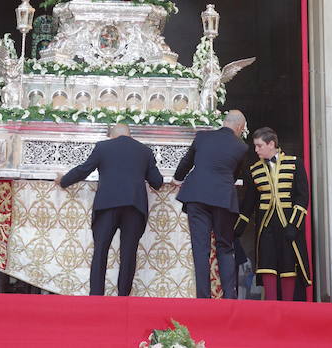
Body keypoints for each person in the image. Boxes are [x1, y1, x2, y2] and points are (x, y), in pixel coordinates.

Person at [56, 122, 163, 296]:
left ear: (112, 135)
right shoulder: (144, 151)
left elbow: (84, 170)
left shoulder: (103, 147)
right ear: (130, 134)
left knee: (101, 250)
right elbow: (156, 182)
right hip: (134, 206)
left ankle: (97, 295)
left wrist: (64, 181)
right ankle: (123, 297)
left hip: (107, 205)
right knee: (128, 253)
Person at [172, 109, 248, 299]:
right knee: (225, 246)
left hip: (197, 196)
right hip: (223, 198)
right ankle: (229, 297)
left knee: (200, 247)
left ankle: (203, 297)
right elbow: (234, 174)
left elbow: (186, 162)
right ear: (239, 127)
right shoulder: (241, 146)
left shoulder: (202, 137)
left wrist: (177, 178)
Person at [234, 126, 311, 300]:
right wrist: (238, 228)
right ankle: (270, 306)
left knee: (288, 265)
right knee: (267, 265)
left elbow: (302, 196)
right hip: (266, 227)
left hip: (289, 225)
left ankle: (288, 307)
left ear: (271, 144)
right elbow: (249, 203)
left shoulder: (295, 163)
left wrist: (294, 225)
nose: (256, 150)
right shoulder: (254, 170)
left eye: (259, 145)